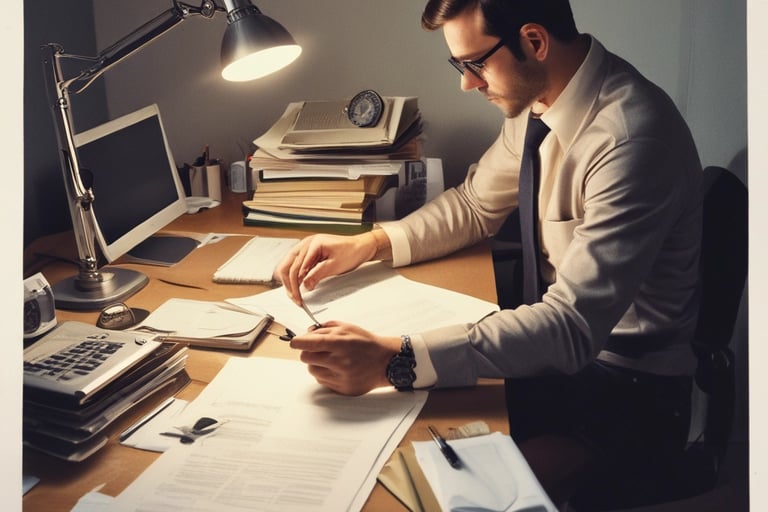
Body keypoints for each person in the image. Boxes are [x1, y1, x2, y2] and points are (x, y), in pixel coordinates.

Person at [275, 0, 702, 505]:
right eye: (460, 66)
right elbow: (475, 205)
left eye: (475, 63)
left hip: (626, 392)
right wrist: (368, 244)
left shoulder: (629, 139)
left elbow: (571, 328)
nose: (467, 83)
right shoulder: (540, 98)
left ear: (534, 41)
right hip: (561, 363)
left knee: (433, 493)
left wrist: (393, 358)